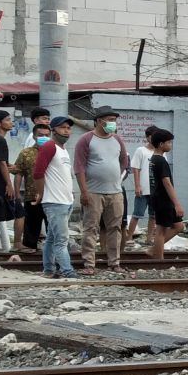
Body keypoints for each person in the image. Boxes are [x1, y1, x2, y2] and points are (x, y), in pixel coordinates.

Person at [73, 105, 129, 274]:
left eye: (114, 120)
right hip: (93, 192)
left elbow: (123, 162)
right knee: (91, 228)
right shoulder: (86, 139)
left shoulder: (117, 139)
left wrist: (114, 177)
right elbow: (79, 167)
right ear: (99, 120)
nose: (113, 123)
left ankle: (114, 263)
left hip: (115, 192)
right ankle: (89, 264)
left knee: (115, 228)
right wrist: (84, 191)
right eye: (110, 120)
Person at [32, 116, 76, 279]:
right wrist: (41, 194)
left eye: (68, 128)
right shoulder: (50, 147)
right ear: (54, 130)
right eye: (63, 127)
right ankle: (68, 271)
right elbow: (37, 173)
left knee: (52, 238)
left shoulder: (62, 149)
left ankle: (49, 270)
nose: (67, 130)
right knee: (61, 240)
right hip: (55, 202)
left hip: (65, 201)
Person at [10, 124, 51, 253]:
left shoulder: (56, 152)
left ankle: (55, 256)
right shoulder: (26, 153)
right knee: (31, 231)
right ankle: (29, 253)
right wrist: (17, 195)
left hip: (53, 197)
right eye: (40, 135)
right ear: (34, 136)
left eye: (46, 135)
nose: (44, 137)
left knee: (54, 230)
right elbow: (18, 173)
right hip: (32, 197)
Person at [147, 129, 185, 259]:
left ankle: (153, 250)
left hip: (160, 199)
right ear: (161, 144)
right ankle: (159, 258)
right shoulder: (160, 161)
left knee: (179, 226)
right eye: (169, 142)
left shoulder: (154, 159)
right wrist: (177, 204)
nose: (171, 145)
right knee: (161, 230)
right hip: (163, 199)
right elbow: (167, 183)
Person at [0, 109, 18, 253]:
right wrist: (9, 184)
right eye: (7, 120)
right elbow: (0, 162)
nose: (10, 122)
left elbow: (1, 162)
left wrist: (9, 165)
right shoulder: (0, 140)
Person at [126, 125, 158, 247]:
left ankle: (149, 238)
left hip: (155, 190)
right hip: (143, 189)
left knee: (153, 215)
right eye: (152, 136)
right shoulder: (141, 150)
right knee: (137, 214)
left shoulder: (159, 152)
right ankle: (129, 237)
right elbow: (136, 168)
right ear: (148, 137)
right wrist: (137, 186)